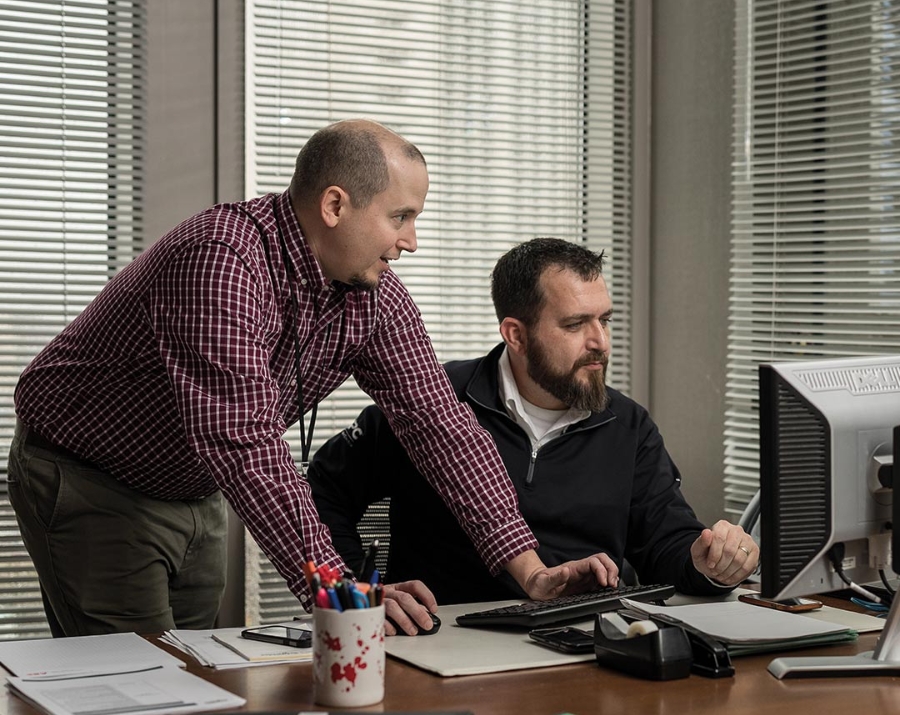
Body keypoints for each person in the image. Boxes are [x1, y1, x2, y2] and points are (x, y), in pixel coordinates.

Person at [8, 121, 611, 638]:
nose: (411, 241)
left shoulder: (373, 296)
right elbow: (245, 445)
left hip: (192, 486)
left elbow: (440, 427)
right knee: (137, 694)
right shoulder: (221, 260)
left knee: (193, 676)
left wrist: (529, 571)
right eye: (400, 217)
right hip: (93, 480)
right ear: (334, 206)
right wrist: (341, 592)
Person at [308, 237, 759, 609]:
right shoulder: (429, 402)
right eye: (575, 324)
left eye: (604, 320)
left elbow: (667, 544)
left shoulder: (628, 425)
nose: (600, 342)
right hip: (444, 642)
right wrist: (357, 592)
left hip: (583, 646)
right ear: (516, 334)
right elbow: (321, 489)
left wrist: (711, 563)